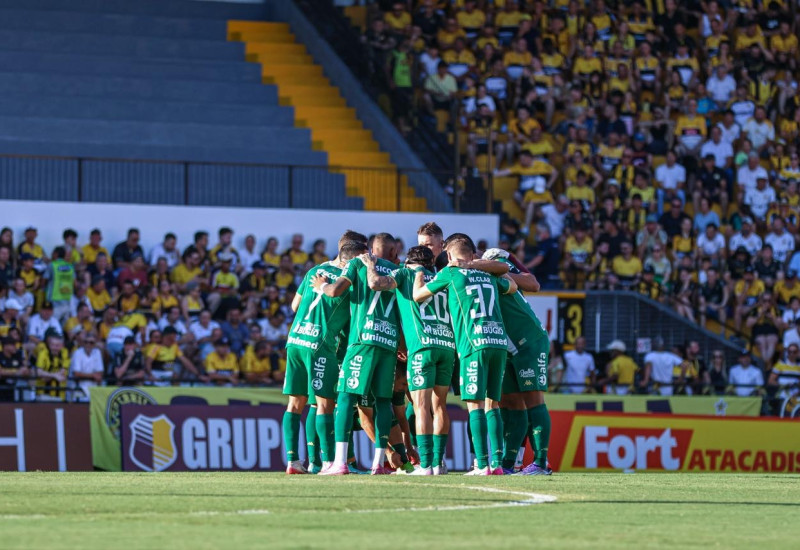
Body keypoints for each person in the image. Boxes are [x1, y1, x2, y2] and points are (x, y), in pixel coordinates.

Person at [413, 234, 517, 475]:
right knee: (493, 404)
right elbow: (512, 285)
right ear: (472, 255)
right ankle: (497, 464)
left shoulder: (449, 273)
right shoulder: (489, 275)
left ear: (449, 255)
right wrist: (483, 266)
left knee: (474, 404)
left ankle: (482, 463)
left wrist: (418, 273)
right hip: (498, 342)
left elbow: (418, 295)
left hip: (473, 343)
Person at [312, 233, 402, 476]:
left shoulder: (357, 263)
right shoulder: (400, 271)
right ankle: (378, 464)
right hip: (389, 343)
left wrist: (321, 286)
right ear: (393, 252)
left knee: (345, 397)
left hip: (363, 340)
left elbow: (335, 291)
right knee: (382, 402)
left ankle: (340, 462)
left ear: (371, 249)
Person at [362, 245, 457, 476]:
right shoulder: (442, 278)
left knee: (421, 406)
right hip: (447, 346)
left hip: (422, 347)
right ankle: (439, 462)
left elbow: (375, 283)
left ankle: (426, 464)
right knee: (440, 406)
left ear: (408, 262)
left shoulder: (405, 273)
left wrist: (371, 265)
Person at [281, 238, 362, 475]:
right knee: (324, 404)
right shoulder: (348, 281)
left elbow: (295, 305)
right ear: (351, 260)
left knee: (295, 403)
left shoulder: (314, 271)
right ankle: (327, 462)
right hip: (319, 344)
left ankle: (293, 461)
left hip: (296, 339)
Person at [69, 332, 104, 402]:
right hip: (78, 387)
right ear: (83, 343)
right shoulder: (77, 353)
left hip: (92, 388)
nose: (88, 344)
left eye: (91, 343)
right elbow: (76, 373)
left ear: (94, 344)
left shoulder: (97, 352)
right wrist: (93, 375)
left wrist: (92, 375)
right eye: (86, 342)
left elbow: (100, 373)